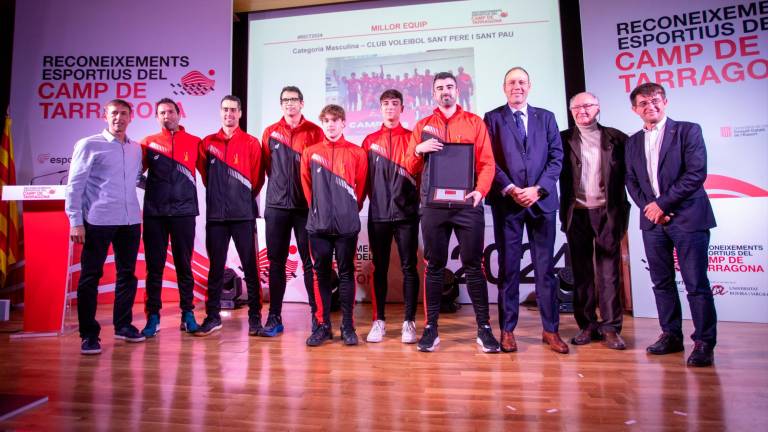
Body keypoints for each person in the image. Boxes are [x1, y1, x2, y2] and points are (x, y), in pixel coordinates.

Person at [405, 72, 500, 353]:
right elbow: (409, 166)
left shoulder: (474, 122)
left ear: (457, 91)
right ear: (433, 94)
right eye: (439, 88)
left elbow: (487, 164)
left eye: (449, 87)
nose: (445, 91)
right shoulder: (422, 125)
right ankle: (430, 328)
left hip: (467, 205)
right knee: (434, 266)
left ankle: (484, 329)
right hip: (433, 206)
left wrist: (480, 192)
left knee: (473, 265)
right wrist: (419, 149)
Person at [625, 82, 717, 367]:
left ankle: (703, 342)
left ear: (665, 102)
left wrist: (662, 205)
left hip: (688, 218)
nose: (650, 106)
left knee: (696, 284)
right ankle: (671, 335)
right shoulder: (632, 142)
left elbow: (696, 173)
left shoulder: (688, 130)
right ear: (634, 109)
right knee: (661, 283)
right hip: (653, 224)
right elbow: (631, 180)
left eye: (654, 100)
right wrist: (650, 209)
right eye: (643, 103)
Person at [483, 67, 567, 354]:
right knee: (509, 269)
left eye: (521, 82)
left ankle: (550, 330)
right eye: (511, 83)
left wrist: (538, 189)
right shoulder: (492, 118)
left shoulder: (546, 117)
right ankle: (507, 331)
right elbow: (488, 159)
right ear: (504, 88)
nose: (516, 86)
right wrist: (510, 188)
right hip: (508, 202)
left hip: (541, 202)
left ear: (529, 86)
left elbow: (557, 157)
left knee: (545, 270)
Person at [65, 99, 145, 355]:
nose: (118, 118)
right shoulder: (89, 145)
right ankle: (89, 334)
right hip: (98, 220)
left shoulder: (135, 149)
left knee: (127, 275)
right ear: (104, 116)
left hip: (130, 220)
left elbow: (136, 180)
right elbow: (74, 186)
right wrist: (76, 222)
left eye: (123, 114)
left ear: (130, 117)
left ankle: (123, 325)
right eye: (114, 114)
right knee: (90, 277)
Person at [559, 92, 629, 350]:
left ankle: (611, 327)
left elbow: (631, 176)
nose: (582, 110)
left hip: (607, 212)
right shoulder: (562, 139)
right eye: (577, 107)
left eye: (588, 105)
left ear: (598, 108)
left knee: (609, 272)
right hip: (576, 212)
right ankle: (587, 325)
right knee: (581, 272)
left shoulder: (617, 138)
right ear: (571, 111)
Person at [196, 95, 265, 337]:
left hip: (243, 215)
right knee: (215, 268)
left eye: (233, 110)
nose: (229, 114)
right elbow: (206, 176)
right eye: (225, 110)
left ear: (240, 113)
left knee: (250, 268)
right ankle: (212, 317)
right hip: (216, 217)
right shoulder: (206, 143)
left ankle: (255, 318)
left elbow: (257, 179)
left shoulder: (251, 143)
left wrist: (240, 199)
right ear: (220, 112)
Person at [300, 104, 367, 347]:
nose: (330, 124)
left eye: (335, 120)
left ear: (343, 123)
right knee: (321, 274)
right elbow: (307, 188)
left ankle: (347, 326)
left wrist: (347, 210)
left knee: (347, 273)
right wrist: (319, 211)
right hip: (318, 226)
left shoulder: (357, 153)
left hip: (347, 225)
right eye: (326, 120)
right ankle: (322, 326)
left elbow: (361, 188)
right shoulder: (310, 152)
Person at [260, 86, 324, 336]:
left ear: (302, 103)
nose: (289, 104)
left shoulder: (315, 132)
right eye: (285, 100)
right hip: (276, 207)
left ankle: (317, 317)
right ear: (281, 104)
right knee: (276, 262)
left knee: (311, 263)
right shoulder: (270, 132)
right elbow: (267, 168)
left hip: (305, 208)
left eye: (294, 100)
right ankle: (274, 317)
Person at [362, 89, 420, 344]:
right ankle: (379, 321)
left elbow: (420, 176)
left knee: (409, 267)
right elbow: (363, 180)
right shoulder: (369, 141)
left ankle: (409, 322)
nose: (389, 108)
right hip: (379, 215)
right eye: (385, 104)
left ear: (402, 109)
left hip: (407, 214)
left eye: (394, 104)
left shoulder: (412, 139)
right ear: (380, 108)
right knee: (380, 268)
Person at [139, 98, 201, 337]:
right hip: (155, 214)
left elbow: (205, 174)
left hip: (184, 213)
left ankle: (187, 313)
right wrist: (155, 190)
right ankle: (152, 317)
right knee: (154, 268)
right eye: (162, 112)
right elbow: (134, 175)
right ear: (157, 117)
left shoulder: (195, 142)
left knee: (184, 266)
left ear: (179, 114)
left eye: (171, 112)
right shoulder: (149, 143)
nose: (167, 116)